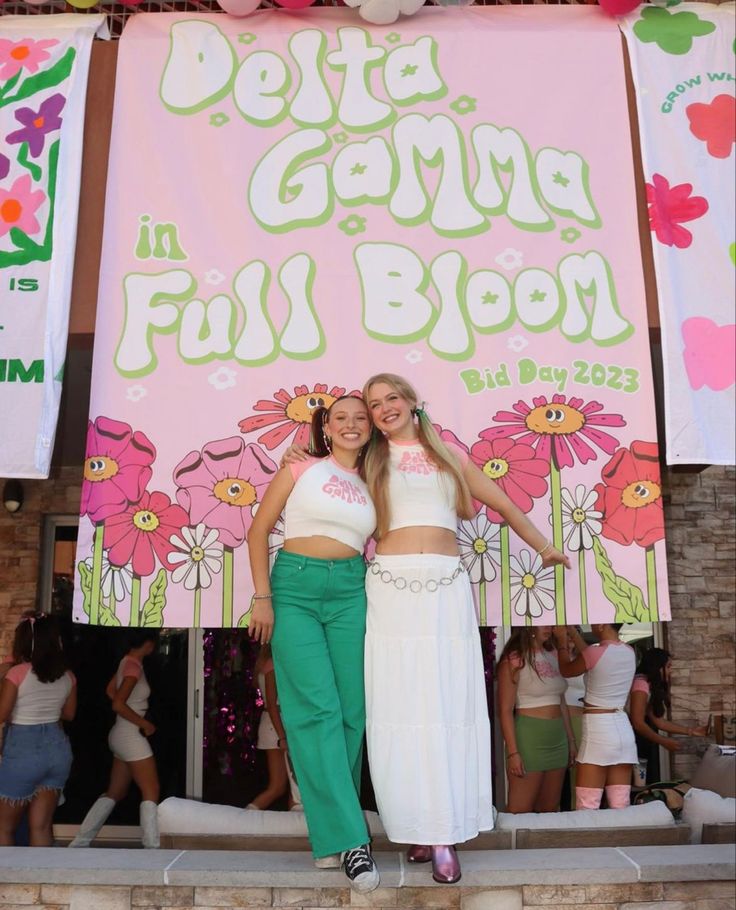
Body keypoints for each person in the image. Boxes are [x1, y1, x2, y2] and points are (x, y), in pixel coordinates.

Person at [360, 373, 570, 884]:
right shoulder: (366, 460)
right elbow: (324, 487)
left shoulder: (449, 455)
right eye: (374, 404)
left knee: (445, 705)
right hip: (390, 590)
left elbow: (503, 503)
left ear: (413, 401)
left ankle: (445, 833)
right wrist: (295, 459)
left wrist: (544, 547)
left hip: (446, 588)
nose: (384, 408)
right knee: (400, 708)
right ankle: (414, 827)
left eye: (392, 398)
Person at [247, 395, 379, 893]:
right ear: (326, 426)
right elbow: (258, 532)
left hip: (351, 589)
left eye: (359, 418)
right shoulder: (301, 468)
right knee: (315, 710)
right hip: (294, 589)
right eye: (339, 417)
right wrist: (263, 598)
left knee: (350, 713)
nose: (349, 424)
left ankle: (328, 838)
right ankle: (353, 843)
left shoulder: (375, 479)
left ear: (370, 428)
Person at [69, 630, 160, 848]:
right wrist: (143, 722)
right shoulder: (134, 667)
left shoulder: (125, 662)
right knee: (151, 789)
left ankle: (81, 841)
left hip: (121, 732)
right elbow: (117, 703)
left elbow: (111, 690)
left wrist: (130, 710)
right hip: (130, 734)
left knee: (116, 791)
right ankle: (152, 847)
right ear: (148, 644)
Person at [0, 613, 77, 846]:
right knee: (41, 826)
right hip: (57, 751)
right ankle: (42, 881)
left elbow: (2, 714)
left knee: (3, 827)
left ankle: (8, 882)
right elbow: (69, 714)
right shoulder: (67, 675)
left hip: (24, 751)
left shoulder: (17, 673)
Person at [554, 623, 637, 810]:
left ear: (602, 624)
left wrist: (561, 642)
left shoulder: (594, 653)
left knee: (587, 805)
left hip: (599, 728)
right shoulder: (629, 651)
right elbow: (595, 659)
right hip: (623, 727)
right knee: (620, 804)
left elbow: (566, 669)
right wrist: (574, 634)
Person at [497, 626, 576, 813]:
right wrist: (513, 753)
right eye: (543, 623)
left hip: (558, 737)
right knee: (520, 809)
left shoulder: (554, 655)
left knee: (549, 808)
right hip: (529, 738)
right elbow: (505, 710)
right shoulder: (514, 659)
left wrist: (571, 741)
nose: (549, 627)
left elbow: (561, 702)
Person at [247, 643, 299, 810]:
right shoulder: (273, 665)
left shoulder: (268, 664)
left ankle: (246, 819)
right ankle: (245, 820)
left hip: (274, 725)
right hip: (276, 726)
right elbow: (271, 704)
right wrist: (282, 736)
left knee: (284, 786)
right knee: (288, 786)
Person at [629, 648, 707, 756]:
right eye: (668, 666)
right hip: (628, 741)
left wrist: (691, 731)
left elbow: (659, 721)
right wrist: (663, 741)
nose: (671, 671)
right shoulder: (640, 684)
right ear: (657, 667)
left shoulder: (648, 684)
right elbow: (638, 723)